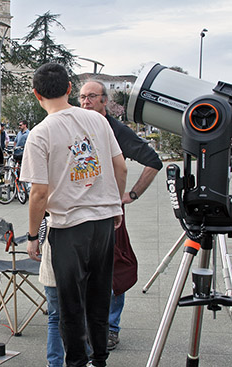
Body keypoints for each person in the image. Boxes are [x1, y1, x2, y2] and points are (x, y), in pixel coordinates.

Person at [21, 63, 127, 367]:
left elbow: (39, 193)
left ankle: (77, 362)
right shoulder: (97, 120)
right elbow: (120, 167)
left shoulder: (40, 134)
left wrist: (32, 237)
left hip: (68, 226)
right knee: (99, 295)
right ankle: (100, 359)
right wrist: (115, 205)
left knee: (70, 305)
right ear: (70, 88)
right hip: (104, 221)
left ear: (36, 94)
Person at [80, 80, 163, 350]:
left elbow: (153, 161)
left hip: (110, 212)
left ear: (105, 101)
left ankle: (110, 327)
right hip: (80, 211)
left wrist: (132, 195)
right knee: (82, 269)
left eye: (91, 96)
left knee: (115, 268)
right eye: (81, 97)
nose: (85, 101)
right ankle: (86, 324)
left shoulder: (116, 130)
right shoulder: (76, 125)